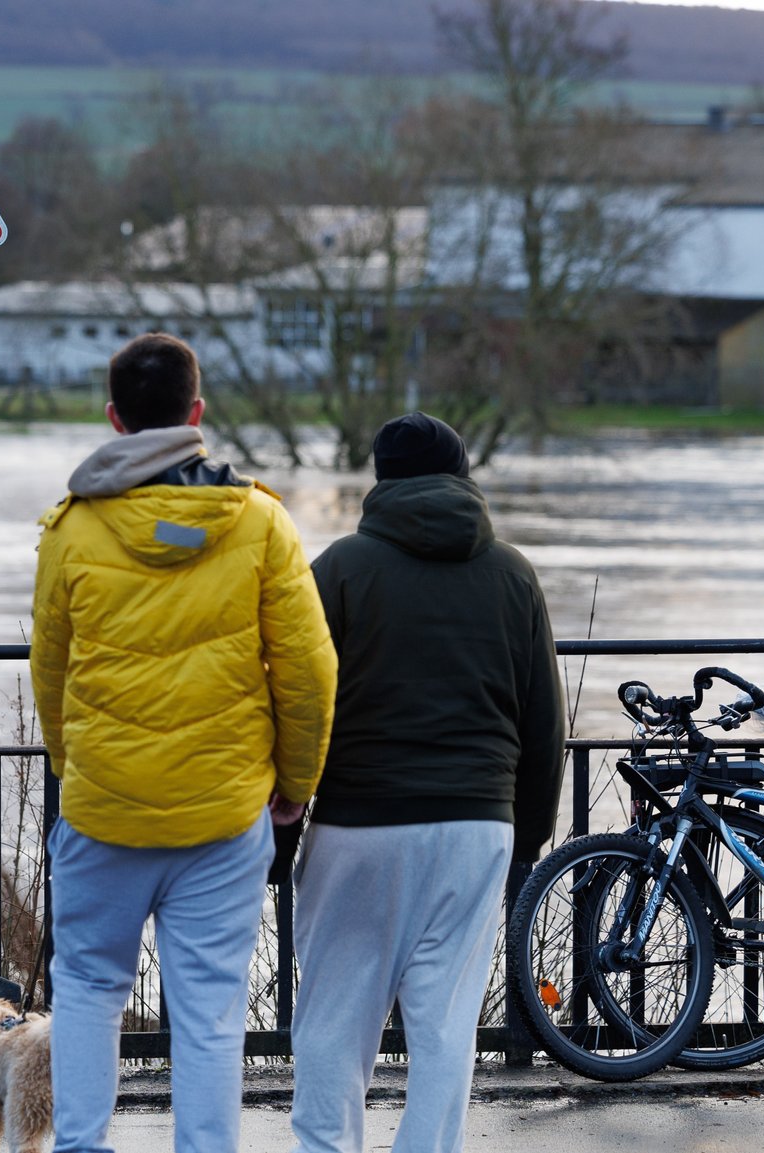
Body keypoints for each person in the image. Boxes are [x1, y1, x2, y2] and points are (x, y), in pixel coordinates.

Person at [31, 333, 336, 1153]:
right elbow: (308, 669)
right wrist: (296, 782)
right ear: (196, 415)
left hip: (102, 814)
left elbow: (49, 671)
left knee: (89, 989)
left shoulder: (70, 529)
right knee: (209, 1008)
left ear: (114, 418)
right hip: (224, 810)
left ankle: (83, 1144)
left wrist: (74, 770)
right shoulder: (260, 521)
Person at [289, 412, 565, 1153]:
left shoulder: (340, 569)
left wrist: (282, 839)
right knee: (445, 1022)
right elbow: (544, 725)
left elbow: (296, 710)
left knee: (332, 1021)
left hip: (359, 822)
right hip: (478, 823)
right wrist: (525, 841)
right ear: (463, 474)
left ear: (380, 480)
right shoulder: (513, 574)